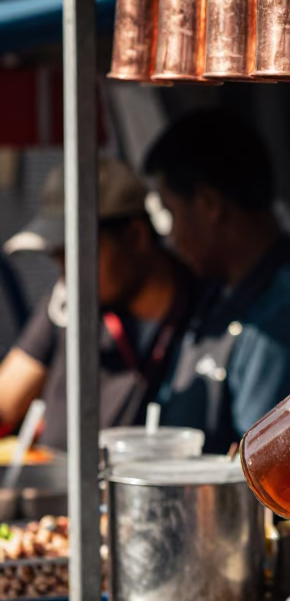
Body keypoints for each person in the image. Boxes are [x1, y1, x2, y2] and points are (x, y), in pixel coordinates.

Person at [0, 157, 197, 449]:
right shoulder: (67, 300)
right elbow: (6, 400)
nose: (66, 272)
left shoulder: (206, 312)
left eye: (77, 252)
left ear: (135, 236)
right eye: (57, 256)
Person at [144, 109, 290, 454]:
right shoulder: (216, 293)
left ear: (209, 204)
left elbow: (267, 466)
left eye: (172, 213)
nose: (171, 238)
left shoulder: (283, 312)